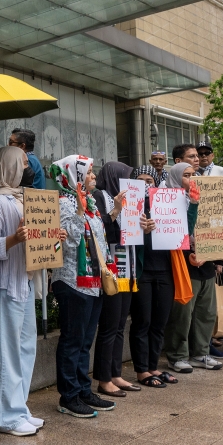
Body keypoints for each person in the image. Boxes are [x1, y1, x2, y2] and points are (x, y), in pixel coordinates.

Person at [0, 146, 47, 435]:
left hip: (24, 283)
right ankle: (7, 416)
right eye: (21, 163)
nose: (27, 167)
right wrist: (14, 239)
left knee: (24, 348)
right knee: (7, 352)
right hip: (5, 286)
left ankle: (19, 407)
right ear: (8, 167)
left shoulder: (22, 198)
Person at [49, 154, 115, 416]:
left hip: (93, 281)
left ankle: (83, 390)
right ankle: (69, 396)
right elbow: (68, 243)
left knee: (85, 339)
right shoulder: (65, 203)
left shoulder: (91, 205)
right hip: (72, 281)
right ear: (75, 177)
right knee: (72, 340)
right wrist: (77, 209)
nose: (94, 177)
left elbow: (98, 240)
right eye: (89, 173)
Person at [133, 163, 198, 380]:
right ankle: (142, 370)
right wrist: (142, 230)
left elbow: (185, 231)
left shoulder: (168, 201)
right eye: (140, 180)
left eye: (149, 181)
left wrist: (194, 204)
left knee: (159, 322)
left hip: (165, 271)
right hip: (142, 272)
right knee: (143, 322)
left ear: (156, 182)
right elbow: (126, 237)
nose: (144, 185)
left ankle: (153, 367)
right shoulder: (130, 206)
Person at [162, 164, 220, 373]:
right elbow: (180, 232)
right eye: (186, 176)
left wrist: (221, 248)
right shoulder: (169, 199)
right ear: (177, 178)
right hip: (183, 260)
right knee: (184, 312)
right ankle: (178, 355)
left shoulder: (205, 195)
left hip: (205, 260)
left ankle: (201, 352)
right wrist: (194, 205)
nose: (192, 179)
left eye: (193, 174)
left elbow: (217, 224)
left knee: (206, 311)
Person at [91, 161, 141, 396]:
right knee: (109, 325)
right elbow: (102, 231)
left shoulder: (124, 197)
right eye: (124, 176)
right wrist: (117, 210)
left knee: (120, 324)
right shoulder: (100, 196)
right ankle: (103, 378)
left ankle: (115, 373)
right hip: (112, 268)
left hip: (126, 267)